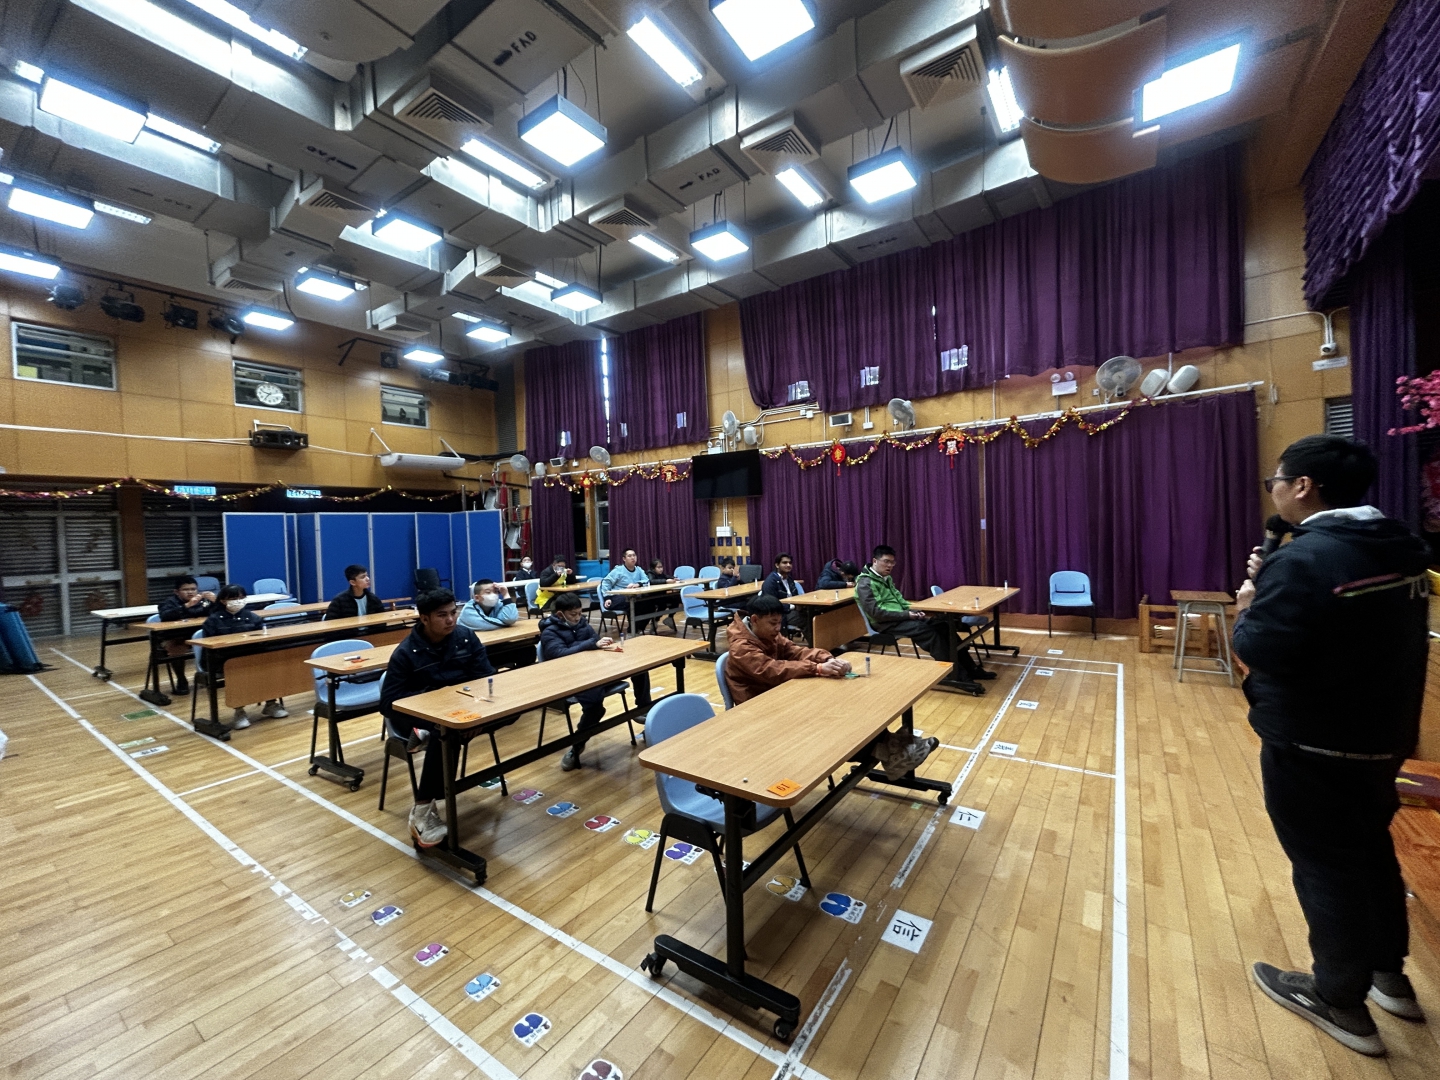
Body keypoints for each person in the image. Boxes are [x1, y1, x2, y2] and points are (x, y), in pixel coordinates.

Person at [1234, 435, 1430, 1056]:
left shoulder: (1308, 558)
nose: (1273, 490)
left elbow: (1260, 648)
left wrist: (1250, 604)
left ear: (1303, 486)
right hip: (1382, 736)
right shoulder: (1400, 549)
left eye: (1275, 480)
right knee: (1370, 852)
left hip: (1315, 740)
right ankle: (1388, 976)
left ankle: (1339, 998)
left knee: (1324, 865)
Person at [380, 589, 496, 848]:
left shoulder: (465, 637)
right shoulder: (406, 653)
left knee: (510, 711)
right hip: (419, 715)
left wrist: (476, 718)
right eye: (442, 615)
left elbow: (485, 675)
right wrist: (433, 704)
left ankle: (437, 734)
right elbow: (388, 703)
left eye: (453, 612)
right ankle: (421, 812)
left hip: (462, 710)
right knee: (444, 734)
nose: (451, 619)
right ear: (424, 619)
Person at [855, 545, 990, 692]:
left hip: (901, 618)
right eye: (886, 561)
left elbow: (901, 602)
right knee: (928, 633)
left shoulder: (885, 578)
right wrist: (907, 615)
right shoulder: (865, 583)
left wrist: (917, 609)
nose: (890, 566)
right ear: (875, 561)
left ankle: (971, 669)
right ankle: (956, 676)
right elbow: (876, 613)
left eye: (892, 562)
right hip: (885, 624)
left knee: (944, 626)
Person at [539, 592, 651, 771]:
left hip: (596, 671)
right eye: (573, 615)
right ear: (560, 614)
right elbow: (559, 655)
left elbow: (595, 640)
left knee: (640, 669)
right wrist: (589, 645)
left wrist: (596, 643)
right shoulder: (549, 632)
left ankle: (642, 709)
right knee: (595, 707)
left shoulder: (582, 623)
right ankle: (576, 747)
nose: (578, 618)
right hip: (572, 678)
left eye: (579, 613)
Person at [723, 594, 849, 705]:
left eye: (779, 622)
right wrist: (817, 668)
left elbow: (795, 651)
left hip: (774, 690)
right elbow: (773, 670)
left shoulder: (769, 634)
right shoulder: (741, 647)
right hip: (755, 703)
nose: (778, 628)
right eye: (773, 623)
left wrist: (828, 659)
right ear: (755, 620)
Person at [200, 585, 287, 728]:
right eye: (234, 598)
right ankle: (239, 711)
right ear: (223, 601)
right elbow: (210, 646)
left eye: (241, 598)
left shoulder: (252, 617)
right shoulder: (213, 620)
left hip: (249, 656)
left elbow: (262, 639)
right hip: (224, 660)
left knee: (268, 665)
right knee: (237, 670)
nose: (238, 601)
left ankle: (271, 704)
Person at [157, 574, 215, 695]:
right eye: (185, 589)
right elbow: (166, 616)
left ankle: (209, 675)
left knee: (217, 643)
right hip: (176, 636)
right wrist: (187, 606)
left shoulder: (203, 601)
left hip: (198, 635)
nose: (190, 592)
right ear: (176, 592)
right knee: (176, 649)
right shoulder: (168, 602)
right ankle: (181, 679)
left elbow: (216, 614)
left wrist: (216, 602)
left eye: (193, 589)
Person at [601, 549, 651, 631]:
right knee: (633, 602)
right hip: (617, 597)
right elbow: (605, 583)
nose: (633, 558)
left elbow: (647, 581)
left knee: (649, 603)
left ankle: (639, 628)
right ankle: (632, 630)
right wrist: (607, 598)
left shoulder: (639, 570)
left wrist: (638, 584)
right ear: (624, 559)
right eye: (629, 556)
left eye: (634, 555)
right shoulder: (618, 570)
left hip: (632, 596)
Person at [762, 553, 807, 633]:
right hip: (782, 614)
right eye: (785, 563)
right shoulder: (770, 582)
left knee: (815, 614)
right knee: (809, 620)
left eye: (790, 563)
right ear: (777, 565)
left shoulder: (789, 579)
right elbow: (771, 604)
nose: (788, 565)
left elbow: (795, 596)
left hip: (793, 610)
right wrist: (793, 606)